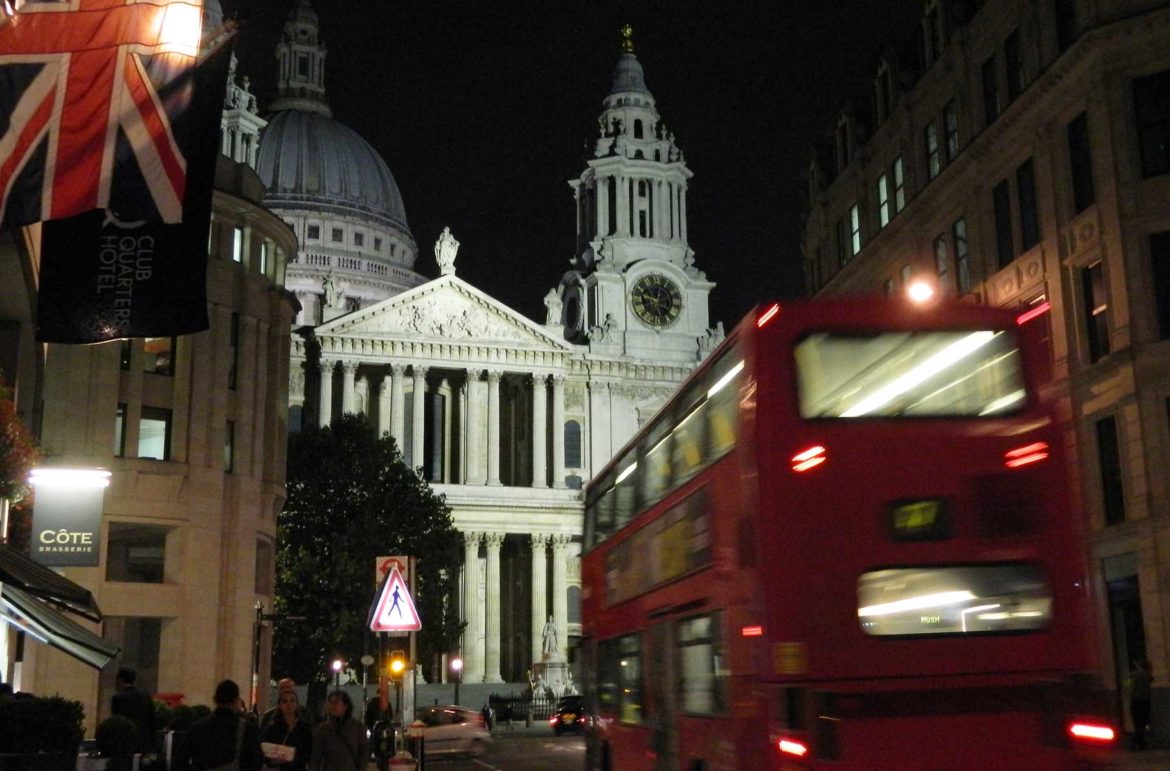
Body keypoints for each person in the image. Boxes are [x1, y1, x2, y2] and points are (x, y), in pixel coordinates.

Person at [187, 679, 262, 771]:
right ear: (235, 700)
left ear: (215, 699)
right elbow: (256, 762)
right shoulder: (247, 729)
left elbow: (181, 759)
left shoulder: (197, 727)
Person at [309, 690, 368, 771]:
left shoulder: (357, 727)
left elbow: (363, 753)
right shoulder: (323, 729)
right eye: (330, 702)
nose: (332, 706)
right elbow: (316, 756)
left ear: (345, 706)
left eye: (336, 702)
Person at [260, 688, 312, 771]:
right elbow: (265, 751)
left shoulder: (303, 728)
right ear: (280, 705)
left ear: (296, 704)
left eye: (292, 701)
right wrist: (273, 761)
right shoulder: (273, 728)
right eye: (285, 701)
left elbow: (308, 752)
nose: (289, 704)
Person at [111, 666, 156, 756]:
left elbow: (116, 723)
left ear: (120, 680)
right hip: (144, 743)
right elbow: (152, 720)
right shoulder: (145, 696)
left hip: (126, 745)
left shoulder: (118, 698)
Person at [1131, 659, 1153, 750]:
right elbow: (1151, 679)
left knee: (1137, 722)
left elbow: (1129, 685)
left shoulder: (1135, 675)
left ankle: (1137, 742)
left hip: (1136, 701)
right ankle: (1140, 742)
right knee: (1144, 722)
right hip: (1145, 701)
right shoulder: (1147, 675)